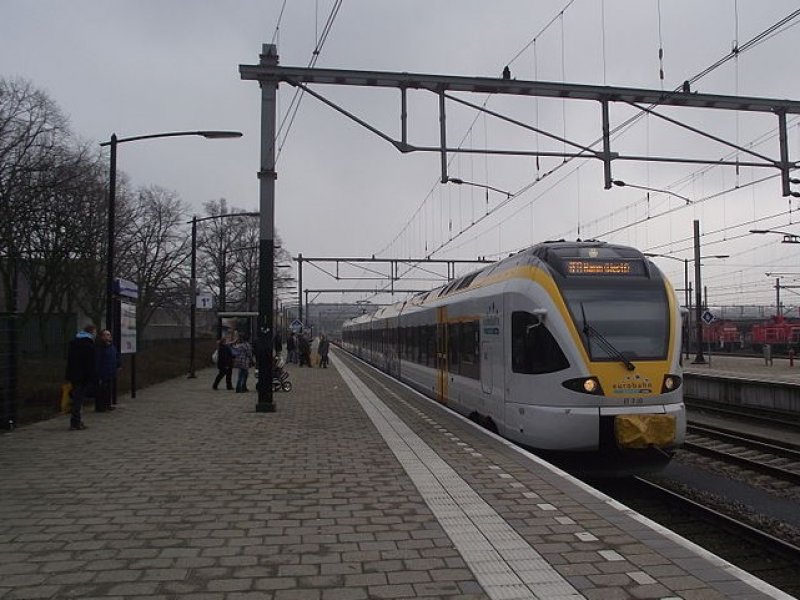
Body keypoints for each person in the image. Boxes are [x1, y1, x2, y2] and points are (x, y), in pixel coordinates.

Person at [65, 324, 97, 430]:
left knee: (76, 398)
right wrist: (92, 376)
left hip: (74, 375)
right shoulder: (88, 344)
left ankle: (76, 420)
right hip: (83, 376)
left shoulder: (74, 343)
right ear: (92, 332)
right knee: (79, 399)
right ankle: (76, 422)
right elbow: (90, 363)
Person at [95, 329, 120, 412]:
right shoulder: (100, 347)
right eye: (106, 335)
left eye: (109, 334)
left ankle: (107, 405)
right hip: (103, 372)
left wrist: (118, 365)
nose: (108, 336)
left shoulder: (112, 346)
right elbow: (97, 360)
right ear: (101, 336)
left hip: (111, 371)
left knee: (108, 389)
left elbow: (116, 356)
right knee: (101, 389)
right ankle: (100, 407)